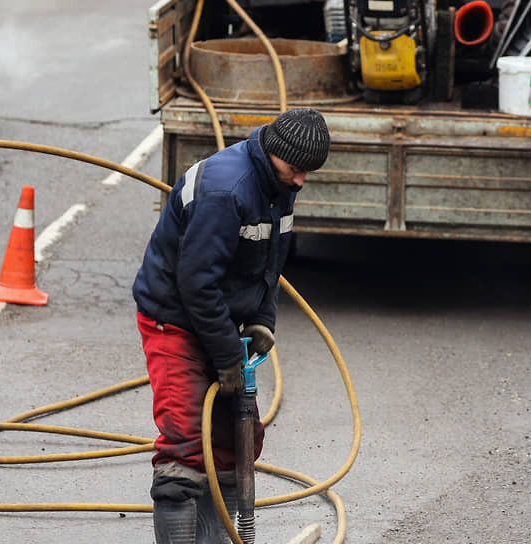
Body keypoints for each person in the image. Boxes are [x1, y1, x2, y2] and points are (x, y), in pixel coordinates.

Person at [132, 107, 330, 542]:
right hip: (176, 319)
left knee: (236, 438)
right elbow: (196, 283)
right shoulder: (228, 190)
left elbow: (269, 262)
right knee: (185, 441)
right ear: (275, 154)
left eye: (306, 173)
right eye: (295, 169)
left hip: (222, 319)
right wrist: (225, 356)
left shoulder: (278, 182)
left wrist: (261, 318)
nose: (300, 181)